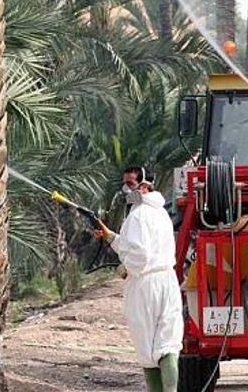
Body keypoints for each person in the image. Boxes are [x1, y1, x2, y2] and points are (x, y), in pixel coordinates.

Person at [94, 166, 183, 392]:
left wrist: (125, 267)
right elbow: (135, 245)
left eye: (131, 184)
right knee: (168, 344)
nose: (126, 189)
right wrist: (111, 237)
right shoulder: (161, 213)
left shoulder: (137, 215)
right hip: (167, 280)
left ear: (144, 186)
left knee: (146, 348)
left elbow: (139, 256)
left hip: (144, 284)